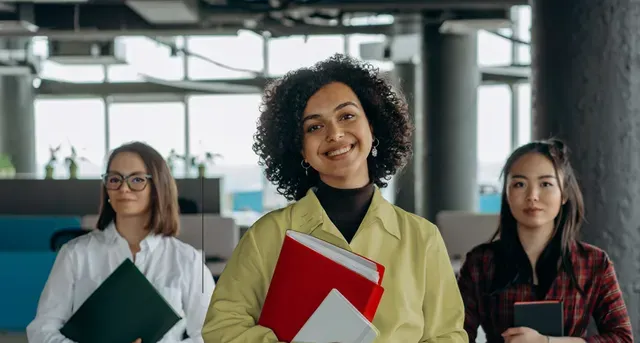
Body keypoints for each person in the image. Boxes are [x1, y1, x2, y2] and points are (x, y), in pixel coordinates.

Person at [202, 54, 467, 343]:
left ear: (373, 127)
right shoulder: (267, 236)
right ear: (300, 149)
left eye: (347, 116)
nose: (335, 134)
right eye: (314, 127)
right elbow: (222, 328)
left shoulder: (422, 238)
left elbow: (447, 335)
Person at [27, 142, 215, 343]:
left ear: (157, 189)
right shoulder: (75, 254)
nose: (124, 188)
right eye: (115, 179)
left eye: (137, 179)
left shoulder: (187, 260)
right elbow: (42, 330)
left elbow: (212, 335)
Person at [457, 139, 633, 343]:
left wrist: (547, 342)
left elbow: (622, 338)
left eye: (546, 184)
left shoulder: (593, 262)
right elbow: (457, 335)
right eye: (519, 184)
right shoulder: (481, 262)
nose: (532, 196)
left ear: (564, 193)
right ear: (506, 193)